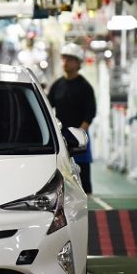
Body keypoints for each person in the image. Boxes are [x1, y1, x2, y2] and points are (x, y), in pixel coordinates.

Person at [47, 42, 97, 194]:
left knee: (82, 176)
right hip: (61, 137)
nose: (65, 62)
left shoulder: (85, 87)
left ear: (78, 63)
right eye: (64, 58)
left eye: (69, 59)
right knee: (62, 174)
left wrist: (79, 134)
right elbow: (48, 107)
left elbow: (90, 112)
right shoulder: (57, 85)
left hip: (79, 137)